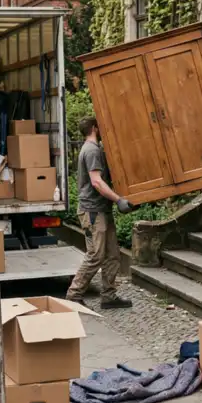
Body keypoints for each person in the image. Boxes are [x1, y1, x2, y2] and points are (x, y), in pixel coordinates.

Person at [65, 116, 134, 310]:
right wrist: (118, 199)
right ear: (95, 128)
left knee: (112, 255)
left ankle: (109, 296)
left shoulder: (93, 150)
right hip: (93, 211)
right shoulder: (92, 150)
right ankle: (74, 294)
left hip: (101, 210)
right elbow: (96, 182)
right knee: (95, 254)